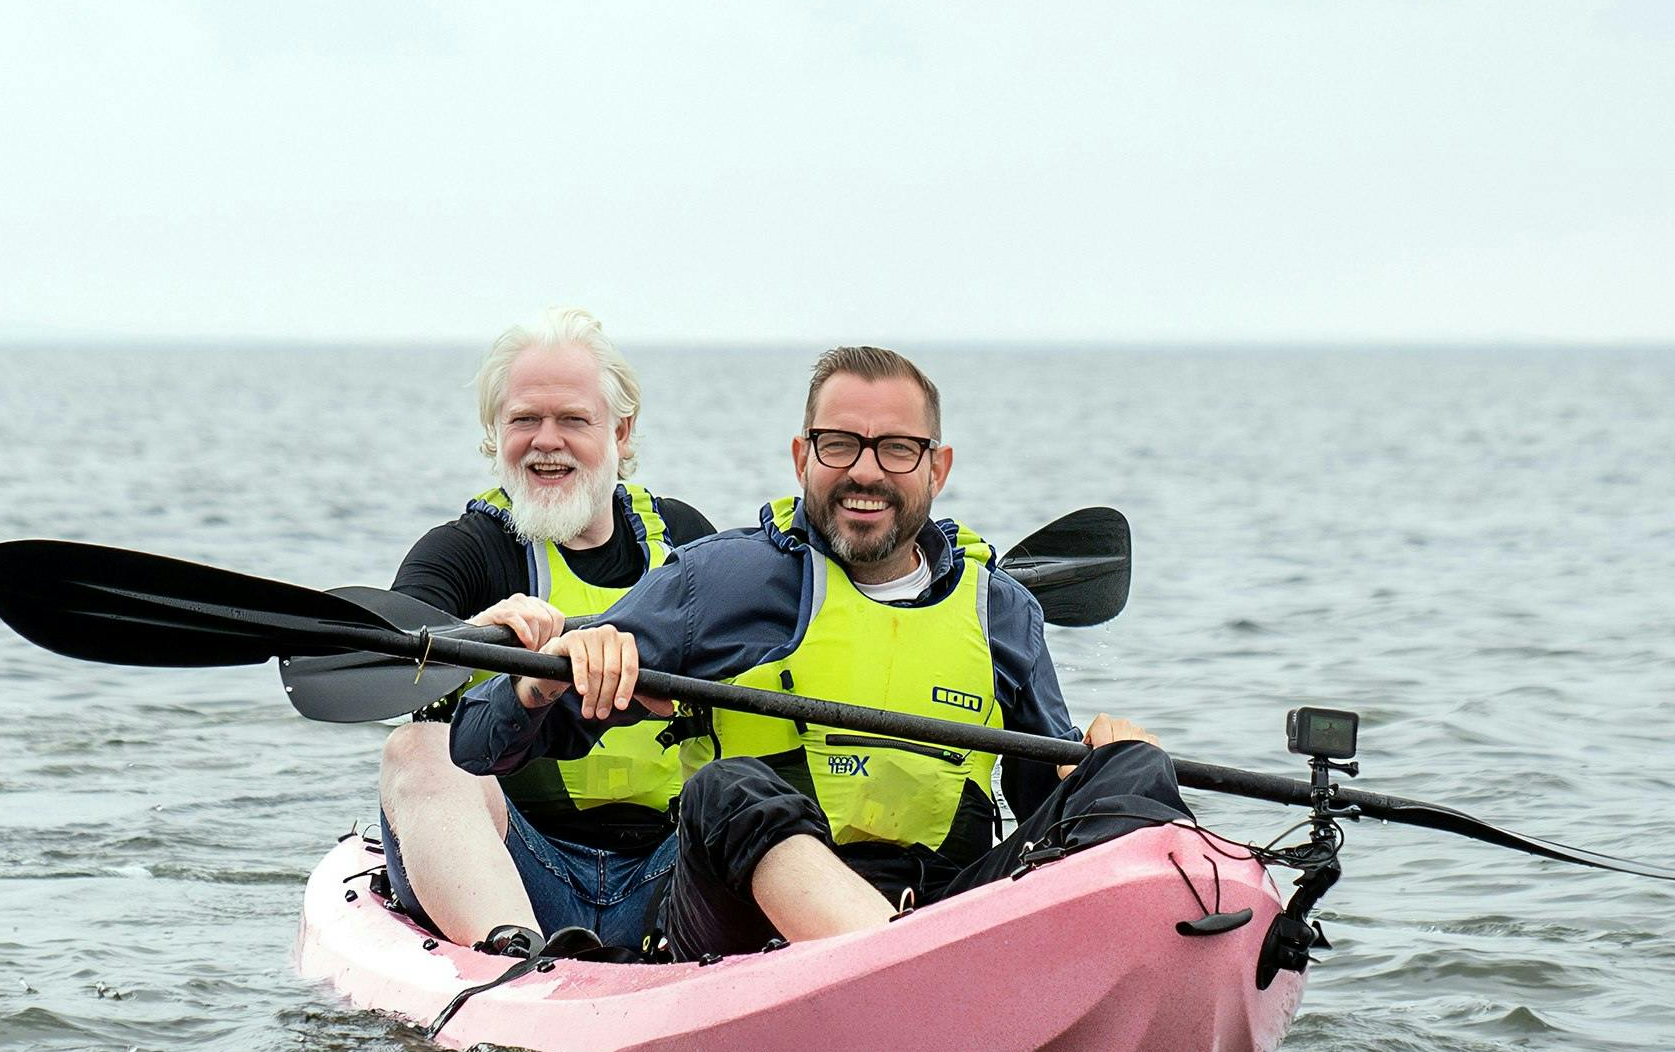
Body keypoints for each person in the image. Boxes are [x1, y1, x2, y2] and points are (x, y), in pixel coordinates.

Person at [452, 343, 1180, 962]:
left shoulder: (1001, 612)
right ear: (803, 456)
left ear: (937, 467)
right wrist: (539, 685)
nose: (865, 472)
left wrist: (1094, 763)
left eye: (896, 449)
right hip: (744, 933)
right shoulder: (720, 581)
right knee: (724, 787)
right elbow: (480, 743)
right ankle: (899, 974)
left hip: (949, 920)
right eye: (840, 445)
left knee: (1134, 769)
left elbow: (1047, 807)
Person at [379, 307, 717, 957]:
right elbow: (386, 653)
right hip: (521, 873)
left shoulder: (687, 543)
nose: (546, 441)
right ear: (494, 432)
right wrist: (471, 634)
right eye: (524, 420)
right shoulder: (464, 551)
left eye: (572, 420)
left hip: (671, 880)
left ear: (621, 429)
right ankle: (516, 965)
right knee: (417, 748)